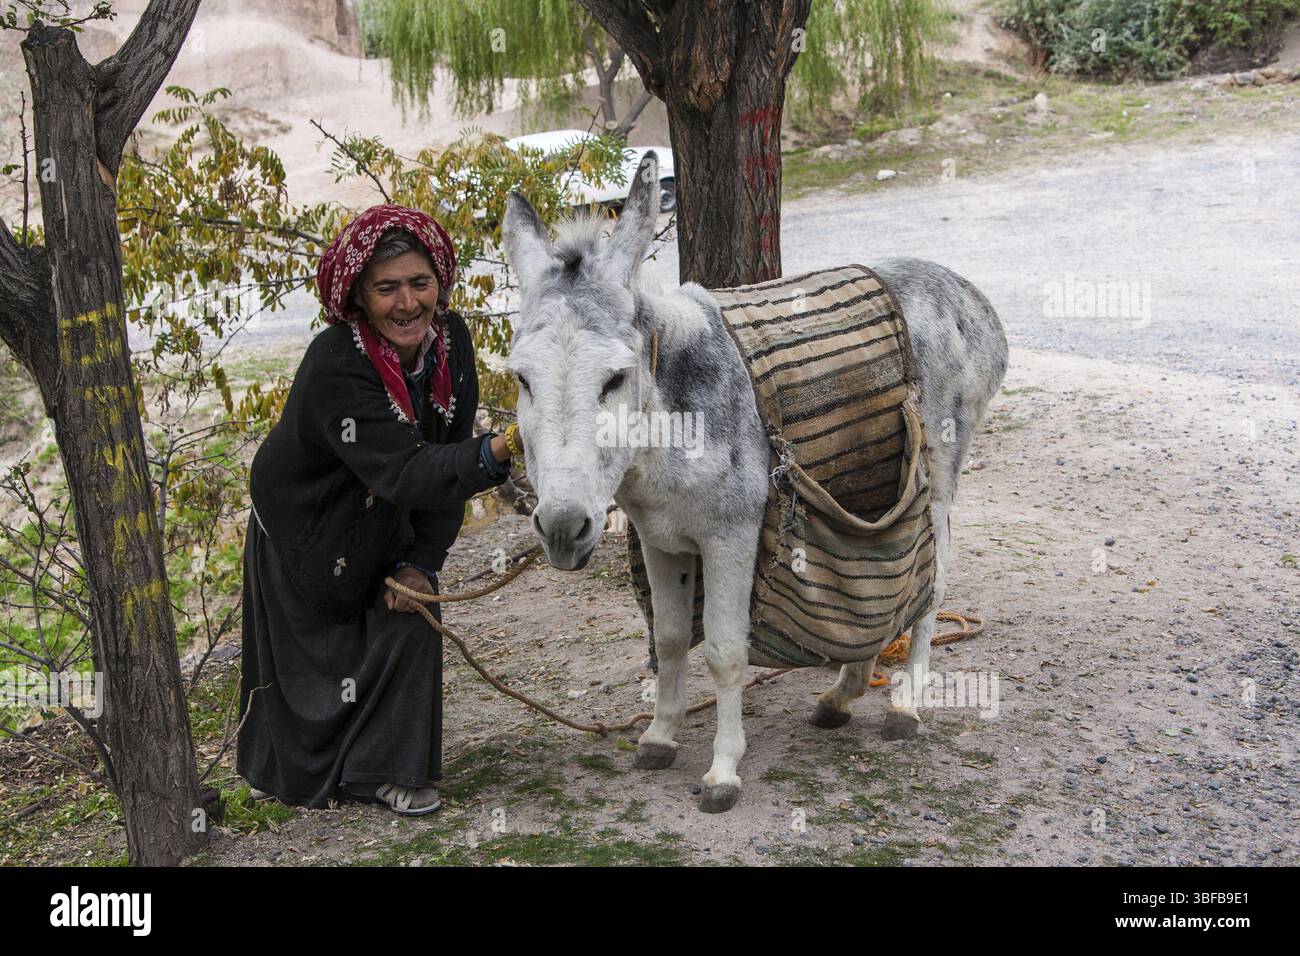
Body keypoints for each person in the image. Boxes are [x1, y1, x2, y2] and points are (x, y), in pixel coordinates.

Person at [236, 204, 522, 815]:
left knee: (411, 604)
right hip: (306, 522)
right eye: (386, 288)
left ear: (440, 283)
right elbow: (409, 469)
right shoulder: (336, 365)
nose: (407, 302)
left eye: (420, 283)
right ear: (360, 298)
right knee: (315, 663)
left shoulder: (453, 343)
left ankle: (383, 770)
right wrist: (507, 446)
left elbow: (444, 458)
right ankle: (307, 770)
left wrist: (421, 559)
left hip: (384, 507)